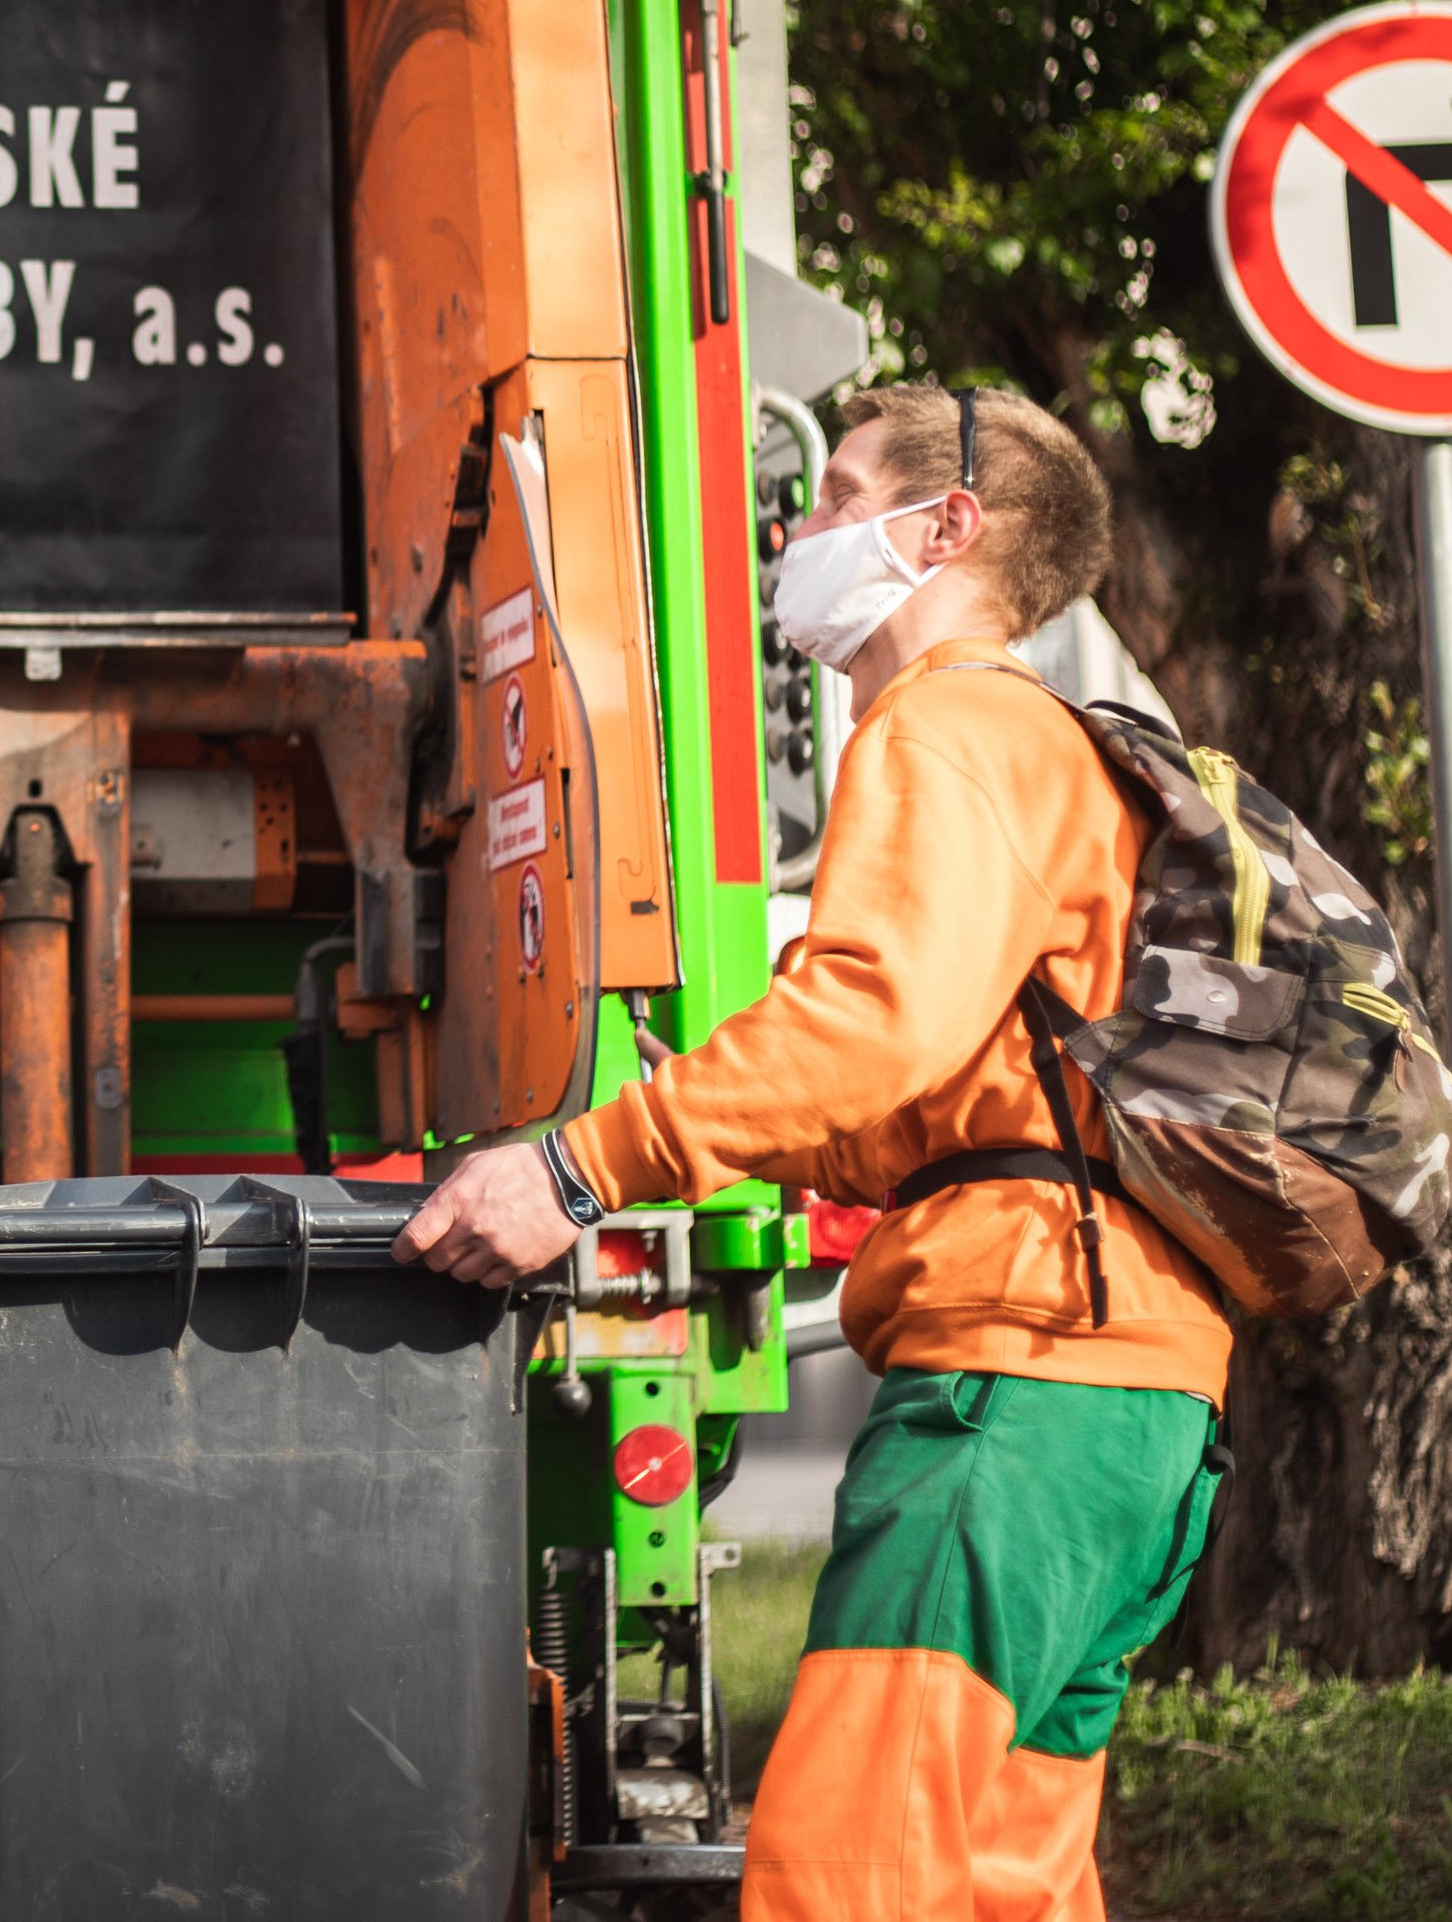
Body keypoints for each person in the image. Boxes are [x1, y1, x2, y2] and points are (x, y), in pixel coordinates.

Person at [395, 383, 1225, 1922]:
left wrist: (583, 1169)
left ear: (949, 526)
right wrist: (760, 1136)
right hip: (1129, 1399)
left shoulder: (951, 725)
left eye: (837, 495)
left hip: (1014, 1390)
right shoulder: (1049, 747)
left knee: (848, 1878)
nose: (800, 528)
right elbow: (958, 1097)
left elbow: (873, 1021)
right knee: (1002, 1888)